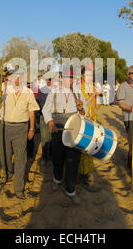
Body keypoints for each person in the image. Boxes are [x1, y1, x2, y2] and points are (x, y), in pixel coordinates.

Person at [42, 68, 87, 205]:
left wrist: (81, 108)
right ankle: (57, 179)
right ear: (62, 78)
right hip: (58, 127)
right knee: (57, 157)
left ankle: (70, 190)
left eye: (73, 78)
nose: (70, 80)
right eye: (68, 77)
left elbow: (84, 113)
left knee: (73, 160)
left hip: (74, 128)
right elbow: (46, 110)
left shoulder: (78, 92)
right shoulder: (54, 92)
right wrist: (50, 123)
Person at [0, 70, 39, 199]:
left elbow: (31, 111)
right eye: (13, 77)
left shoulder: (28, 92)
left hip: (21, 127)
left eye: (18, 76)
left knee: (20, 158)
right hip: (4, 126)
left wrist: (31, 128)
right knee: (5, 155)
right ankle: (7, 174)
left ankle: (18, 187)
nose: (15, 79)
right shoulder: (3, 90)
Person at [78, 65, 101, 191]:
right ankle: (80, 175)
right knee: (82, 148)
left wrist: (97, 98)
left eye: (91, 75)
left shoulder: (92, 88)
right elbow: (80, 105)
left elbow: (97, 107)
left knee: (90, 149)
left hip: (93, 121)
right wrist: (92, 96)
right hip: (82, 121)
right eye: (87, 75)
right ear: (82, 76)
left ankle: (85, 175)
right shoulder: (78, 88)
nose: (89, 77)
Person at [36, 77, 56, 165]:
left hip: (55, 117)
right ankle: (45, 157)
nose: (49, 81)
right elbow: (37, 102)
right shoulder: (42, 90)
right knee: (44, 138)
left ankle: (53, 157)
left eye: (51, 79)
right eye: (48, 79)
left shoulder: (58, 90)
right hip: (43, 117)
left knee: (54, 137)